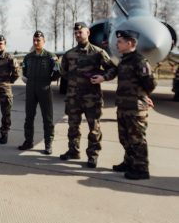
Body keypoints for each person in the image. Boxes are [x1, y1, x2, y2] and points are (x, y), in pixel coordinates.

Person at [92, 30, 156, 179]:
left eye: (120, 42)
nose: (117, 44)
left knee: (137, 140)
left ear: (130, 43)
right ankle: (129, 162)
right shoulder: (124, 60)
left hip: (135, 108)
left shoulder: (139, 61)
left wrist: (144, 96)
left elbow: (150, 83)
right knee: (125, 138)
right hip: (123, 107)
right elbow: (114, 72)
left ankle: (141, 169)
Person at [59, 22, 117, 168]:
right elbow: (64, 72)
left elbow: (112, 69)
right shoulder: (69, 54)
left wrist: (103, 77)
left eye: (81, 32)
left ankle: (92, 156)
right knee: (73, 127)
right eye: (76, 33)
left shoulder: (98, 52)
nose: (78, 35)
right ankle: (73, 150)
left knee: (94, 128)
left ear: (88, 33)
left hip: (92, 98)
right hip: (73, 98)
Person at [18, 30, 60, 154]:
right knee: (29, 117)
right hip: (30, 89)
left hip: (44, 89)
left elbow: (58, 72)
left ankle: (48, 144)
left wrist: (48, 80)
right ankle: (28, 141)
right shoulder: (28, 57)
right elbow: (25, 72)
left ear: (44, 41)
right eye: (34, 40)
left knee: (48, 118)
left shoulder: (50, 57)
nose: (36, 42)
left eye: (39, 40)